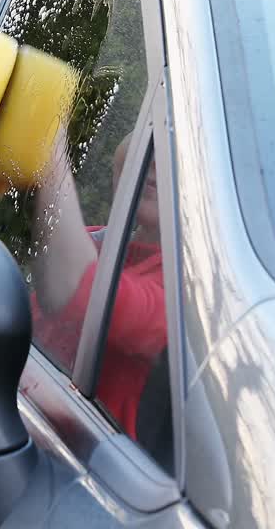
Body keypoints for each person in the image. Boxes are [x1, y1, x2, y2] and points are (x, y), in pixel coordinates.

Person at [31, 131, 166, 440]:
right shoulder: (96, 242)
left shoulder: (190, 303)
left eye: (179, 143)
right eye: (151, 131)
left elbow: (78, 289)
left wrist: (45, 139)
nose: (155, 158)